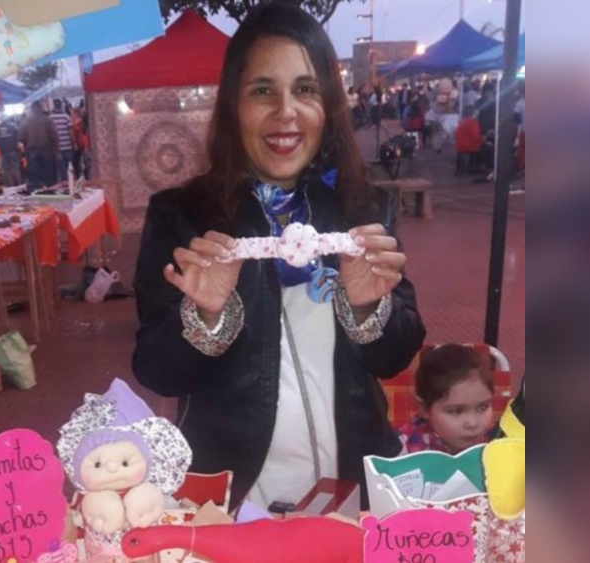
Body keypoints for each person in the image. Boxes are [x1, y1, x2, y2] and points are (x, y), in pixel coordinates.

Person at [132, 1, 426, 511]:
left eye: (305, 89)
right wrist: (205, 318)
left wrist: (366, 308)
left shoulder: (364, 210)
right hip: (232, 498)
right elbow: (157, 373)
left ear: (327, 105)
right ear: (234, 105)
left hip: (352, 491)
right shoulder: (182, 217)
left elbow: (394, 356)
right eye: (262, 90)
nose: (285, 111)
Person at [398, 344, 496, 454]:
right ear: (424, 408)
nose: (472, 423)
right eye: (456, 411)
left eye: (483, 407)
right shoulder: (401, 450)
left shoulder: (499, 440)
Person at [18, 102, 58, 189]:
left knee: (34, 173)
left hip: (31, 150)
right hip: (46, 149)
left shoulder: (25, 121)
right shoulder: (47, 120)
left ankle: (37, 190)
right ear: (41, 108)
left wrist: (26, 143)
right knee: (49, 173)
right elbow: (54, 135)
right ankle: (50, 190)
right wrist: (56, 149)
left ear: (32, 109)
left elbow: (21, 137)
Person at [0, 117, 23, 186]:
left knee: (5, 170)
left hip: (3, 151)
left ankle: (8, 185)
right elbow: (17, 138)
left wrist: (1, 144)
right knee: (15, 168)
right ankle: (20, 184)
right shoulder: (12, 127)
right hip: (13, 150)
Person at [50, 99, 75, 183]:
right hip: (68, 146)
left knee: (60, 170)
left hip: (57, 148)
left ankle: (64, 185)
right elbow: (71, 131)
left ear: (54, 105)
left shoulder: (50, 118)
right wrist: (73, 143)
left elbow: (50, 133)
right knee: (70, 168)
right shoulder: (66, 117)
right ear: (61, 105)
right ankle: (71, 183)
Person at [454, 105, 484, 176]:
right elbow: (476, 137)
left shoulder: (462, 122)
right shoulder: (472, 123)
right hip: (469, 146)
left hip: (460, 145)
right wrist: (484, 140)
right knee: (485, 149)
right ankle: (475, 168)